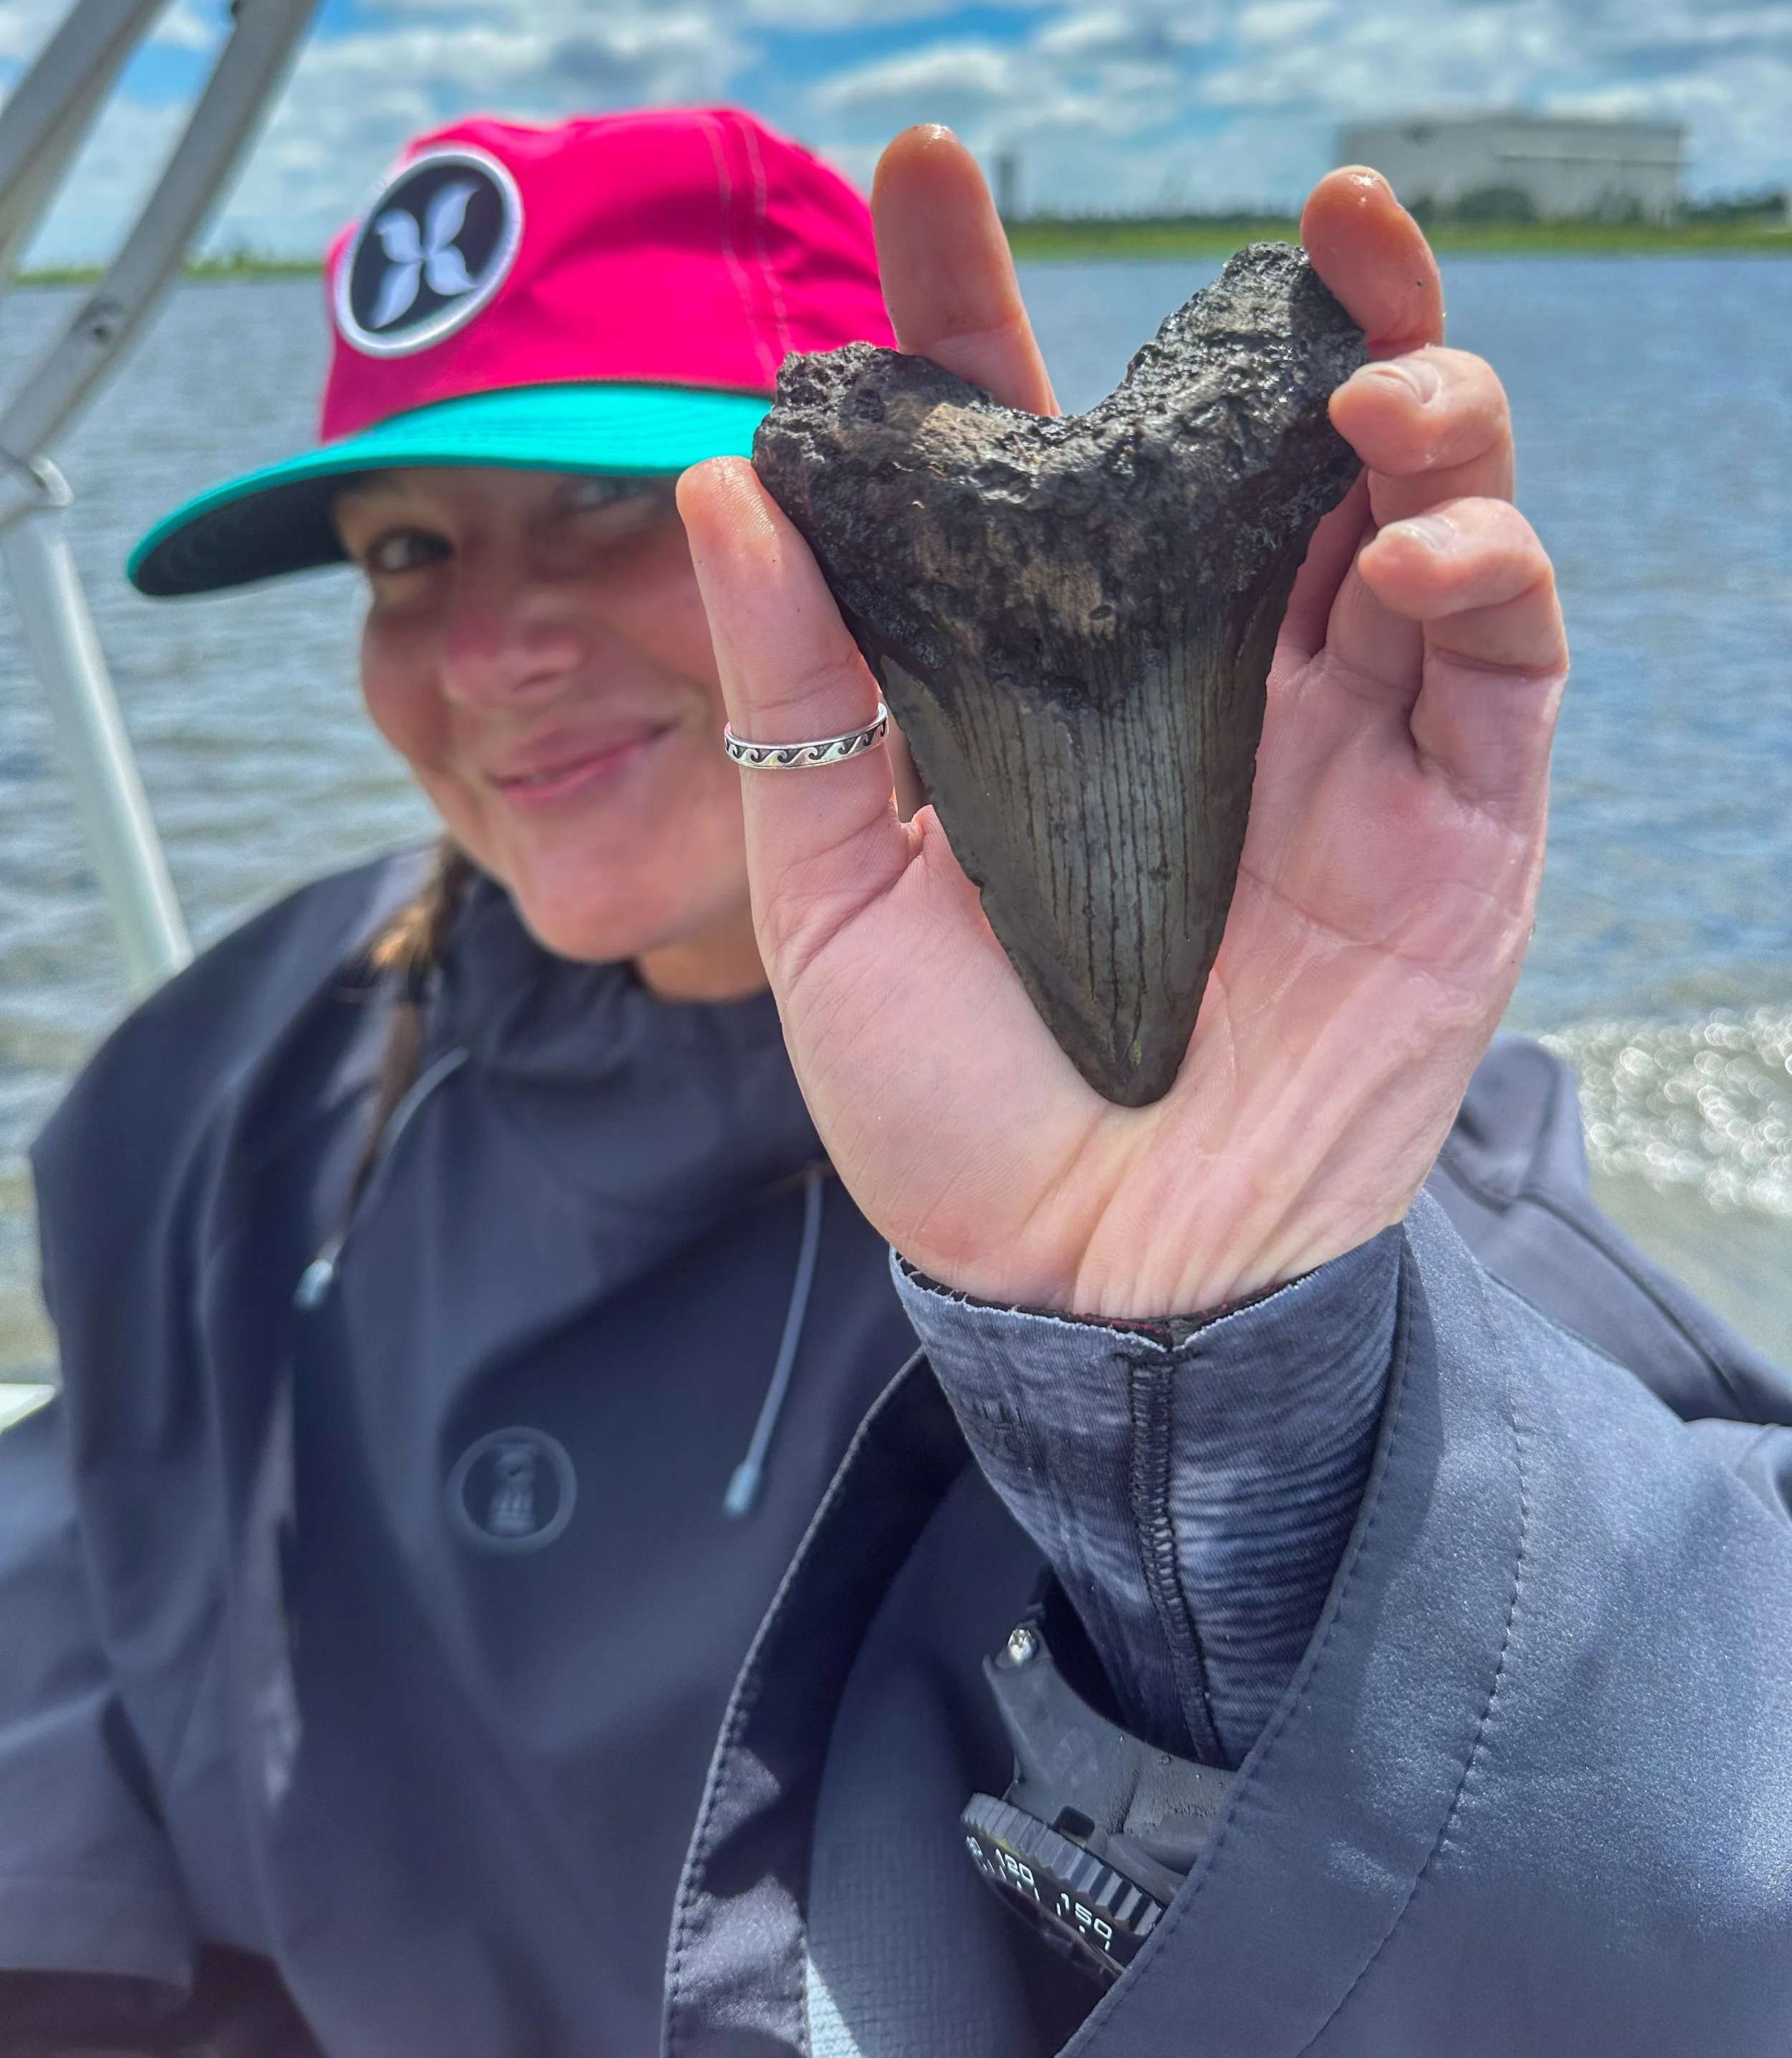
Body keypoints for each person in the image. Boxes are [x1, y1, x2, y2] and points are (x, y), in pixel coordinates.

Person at [0, 105, 1785, 2058]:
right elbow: (80, 1683)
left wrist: (1215, 1408)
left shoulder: (1339, 1167)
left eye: (613, 507)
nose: (490, 646)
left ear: (889, 523)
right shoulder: (236, 1077)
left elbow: (1689, 1899)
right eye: (406, 546)